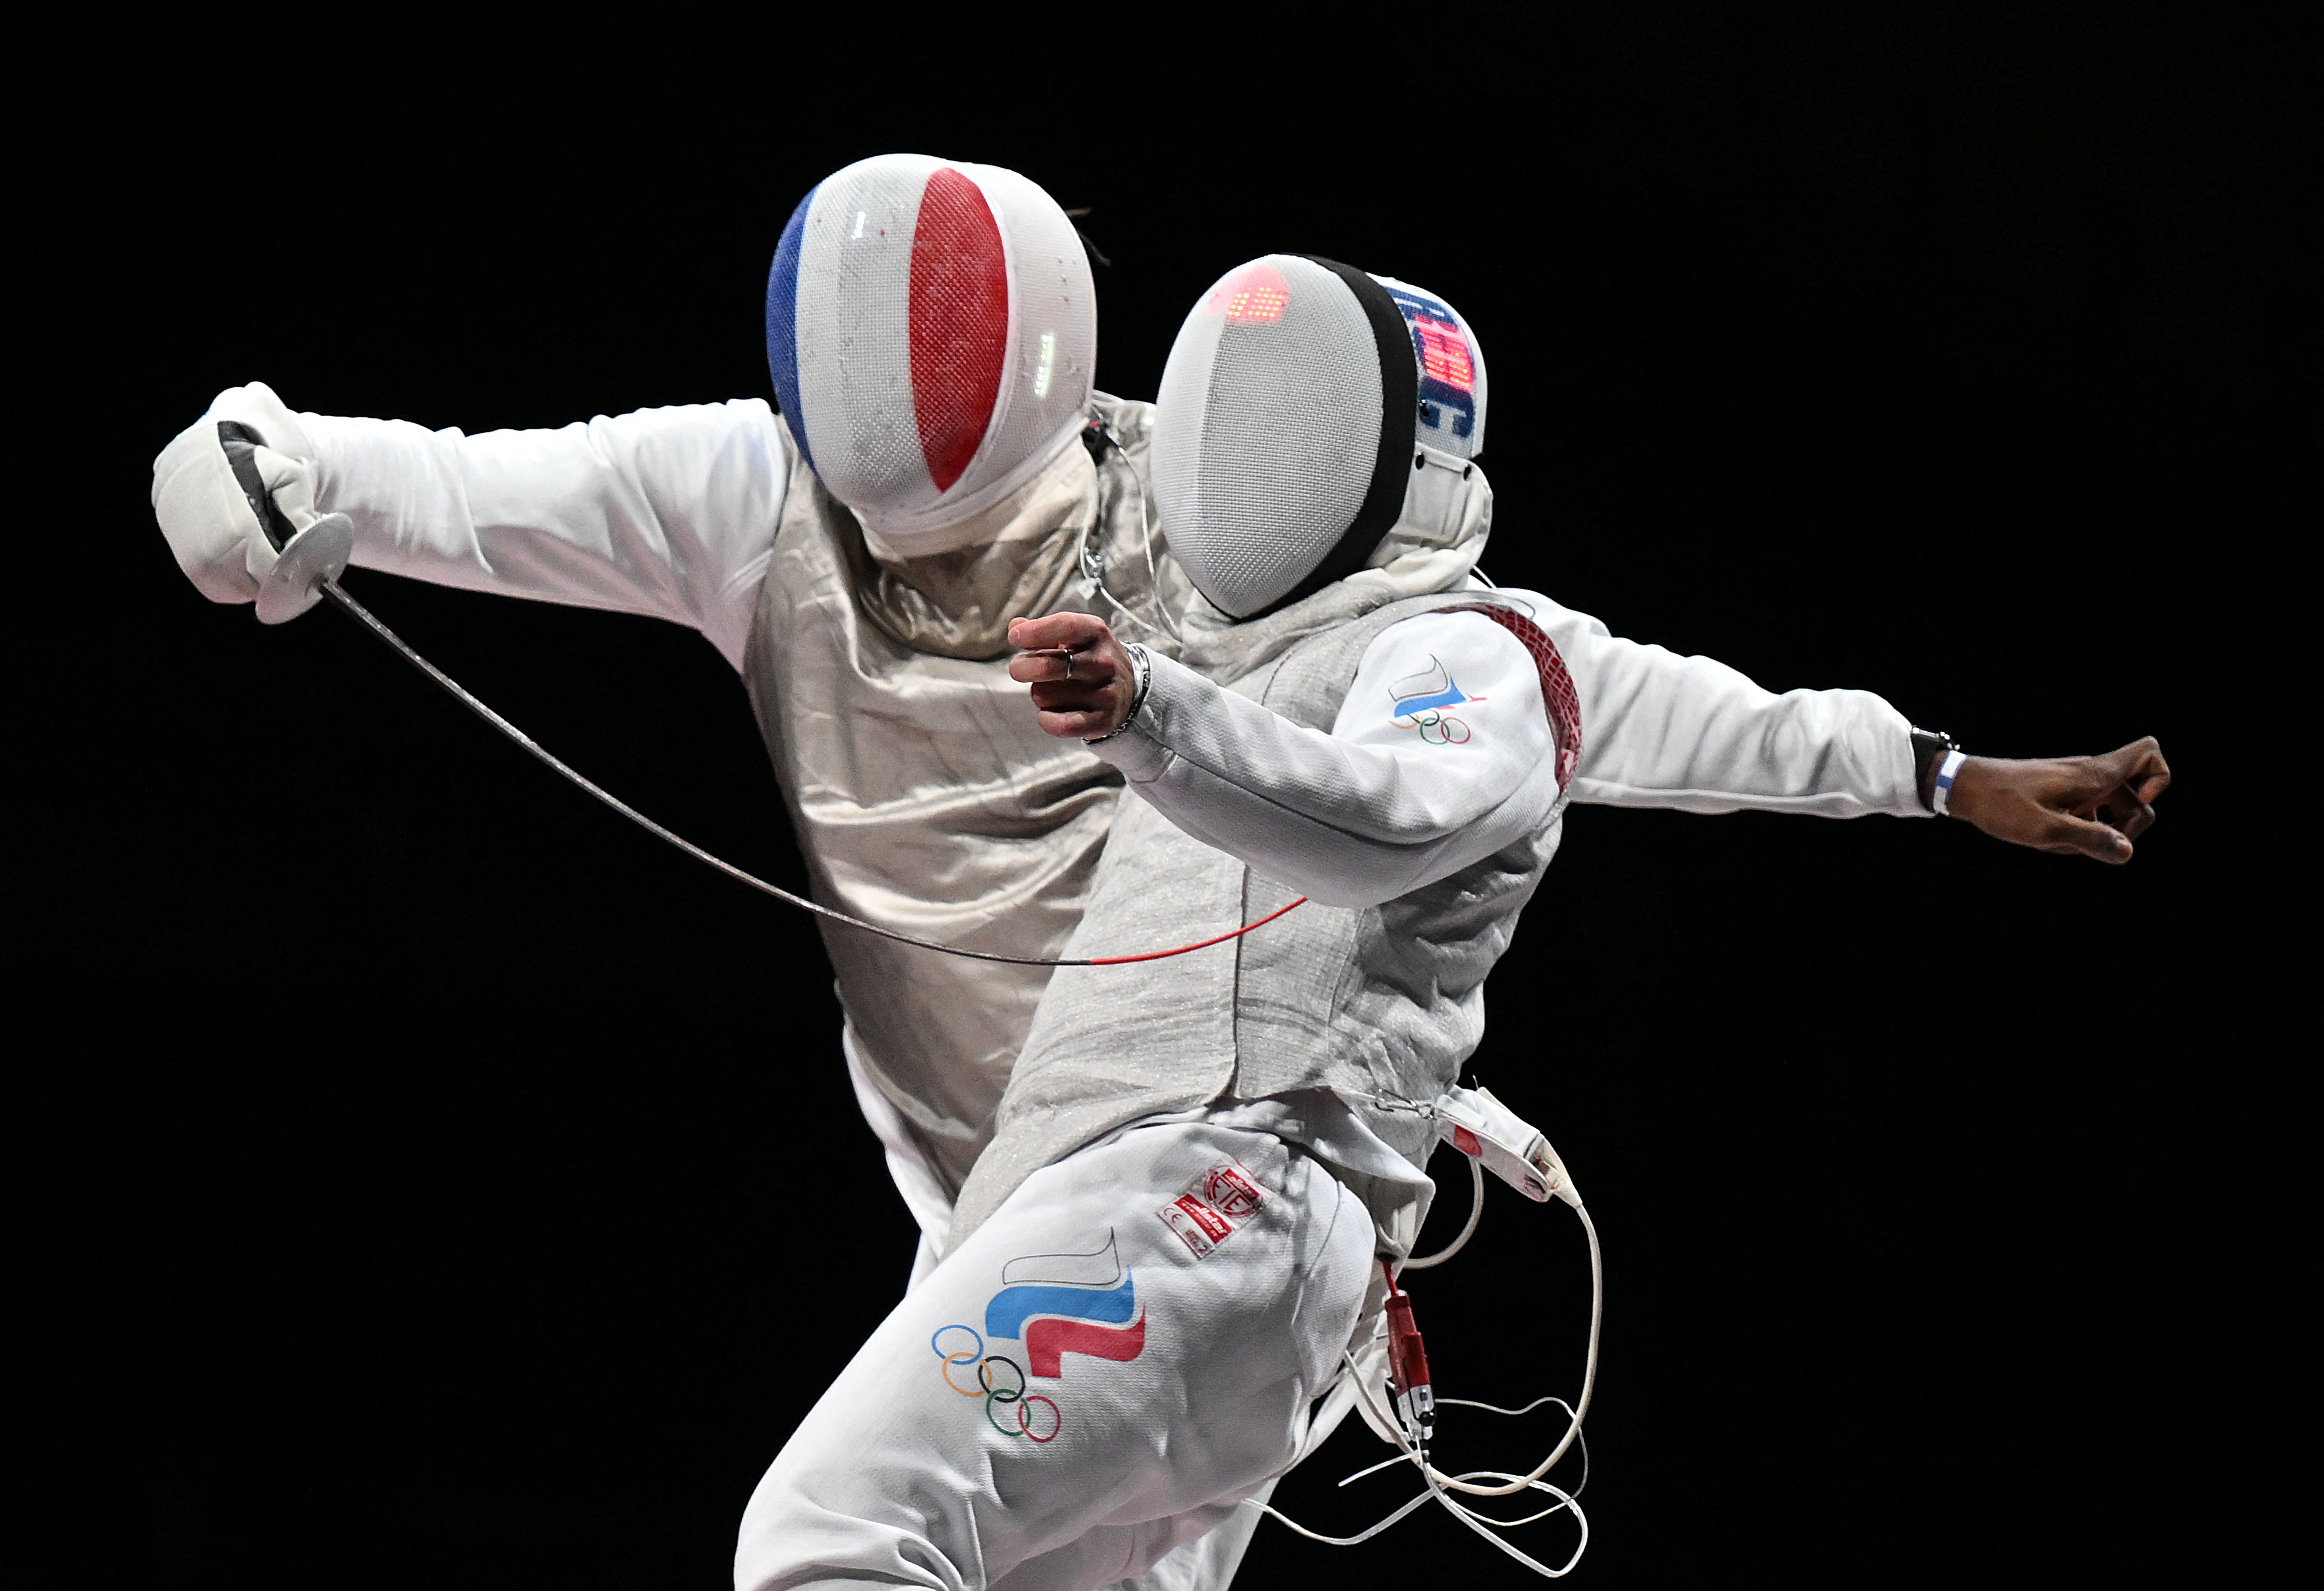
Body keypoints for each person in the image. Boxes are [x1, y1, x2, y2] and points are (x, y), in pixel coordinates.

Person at [730, 254, 2170, 1586]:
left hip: (1207, 1200)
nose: (1221, 465)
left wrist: (1150, 714)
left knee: (832, 1533)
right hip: (1168, 1230)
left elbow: (1378, 822)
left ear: (1369, 466)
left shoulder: (1463, 656)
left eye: (1271, 434)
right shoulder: (1281, 650)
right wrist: (1944, 773)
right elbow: (1745, 730)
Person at [147, 153, 1189, 1279]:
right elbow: (437, 488)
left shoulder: (1202, 502)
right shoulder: (763, 494)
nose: (891, 379)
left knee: (841, 1472)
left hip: (1222, 1187)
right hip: (978, 1224)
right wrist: (247, 448)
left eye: (939, 326)